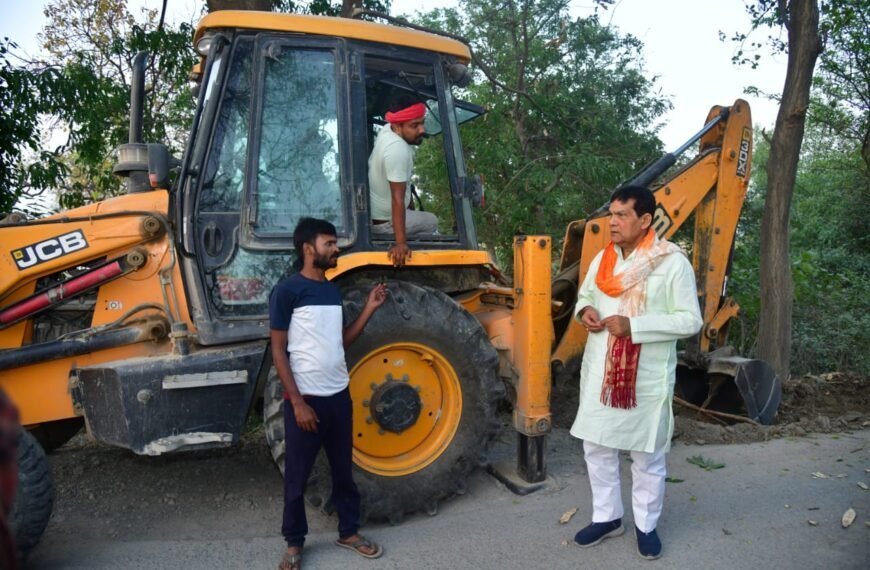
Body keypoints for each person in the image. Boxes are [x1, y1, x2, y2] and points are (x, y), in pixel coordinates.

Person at [570, 185, 702, 560]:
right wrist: (586, 313)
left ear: (645, 220)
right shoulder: (603, 260)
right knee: (597, 445)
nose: (612, 222)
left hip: (645, 378)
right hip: (602, 372)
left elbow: (690, 320)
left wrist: (635, 326)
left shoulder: (671, 262)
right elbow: (586, 296)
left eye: (622, 215)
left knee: (646, 454)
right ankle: (607, 517)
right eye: (611, 214)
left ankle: (646, 525)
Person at [270, 218, 387, 570]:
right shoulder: (287, 291)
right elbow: (278, 351)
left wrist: (369, 307)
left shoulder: (331, 290)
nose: (336, 249)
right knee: (297, 478)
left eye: (335, 243)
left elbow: (341, 342)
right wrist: (298, 402)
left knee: (343, 472)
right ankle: (294, 544)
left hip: (339, 396)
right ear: (309, 248)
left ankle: (349, 533)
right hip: (306, 401)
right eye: (329, 243)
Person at [368, 94, 438, 267]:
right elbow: (397, 199)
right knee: (432, 221)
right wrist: (400, 244)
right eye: (414, 126)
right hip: (385, 224)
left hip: (379, 216)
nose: (421, 130)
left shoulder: (387, 130)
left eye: (422, 122)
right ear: (398, 126)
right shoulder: (397, 149)